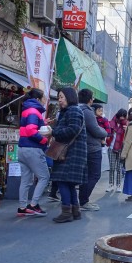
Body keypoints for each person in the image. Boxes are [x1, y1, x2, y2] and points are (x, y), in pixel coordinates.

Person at [50, 87, 87, 223]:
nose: (59, 100)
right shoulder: (70, 111)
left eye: (61, 97)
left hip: (71, 153)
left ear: (69, 97)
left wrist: (53, 132)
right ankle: (74, 211)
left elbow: (73, 129)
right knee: (68, 183)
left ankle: (66, 212)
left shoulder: (73, 110)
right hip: (73, 152)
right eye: (59, 97)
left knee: (62, 181)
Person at [16, 88, 50, 217]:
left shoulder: (26, 109)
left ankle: (22, 207)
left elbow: (28, 127)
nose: (45, 100)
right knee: (44, 176)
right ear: (37, 99)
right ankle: (34, 204)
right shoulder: (34, 111)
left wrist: (43, 122)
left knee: (26, 179)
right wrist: (44, 140)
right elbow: (31, 130)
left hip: (22, 148)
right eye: (44, 98)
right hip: (33, 149)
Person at [78, 89, 107, 211]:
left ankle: (82, 200)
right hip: (92, 147)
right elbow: (95, 129)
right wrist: (105, 132)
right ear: (90, 100)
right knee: (94, 175)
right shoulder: (87, 112)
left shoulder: (77, 109)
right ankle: (84, 201)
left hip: (83, 146)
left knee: (86, 175)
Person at [106, 109, 128, 192]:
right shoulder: (112, 123)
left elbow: (127, 139)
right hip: (111, 148)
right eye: (120, 115)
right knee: (112, 168)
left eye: (123, 116)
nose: (122, 117)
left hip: (120, 149)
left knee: (119, 168)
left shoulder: (126, 124)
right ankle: (110, 184)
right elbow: (108, 133)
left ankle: (118, 185)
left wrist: (126, 131)